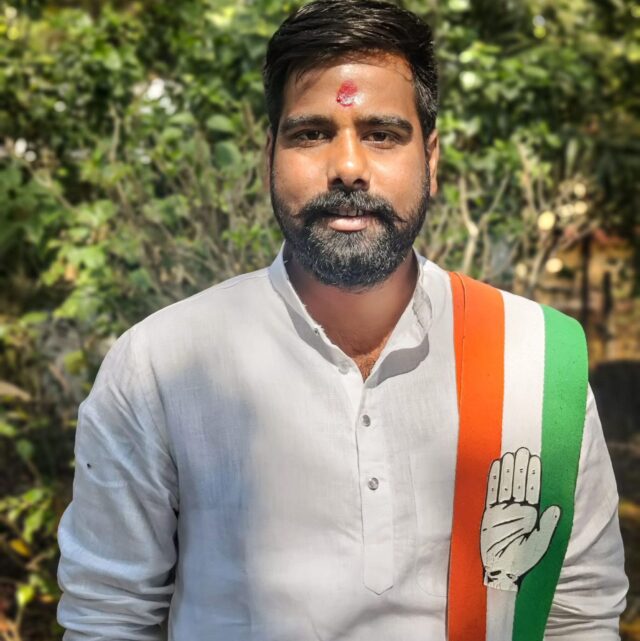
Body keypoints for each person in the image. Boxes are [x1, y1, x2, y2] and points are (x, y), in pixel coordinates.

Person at [56, 0, 628, 639]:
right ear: (269, 156)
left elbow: (580, 616)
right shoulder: (163, 364)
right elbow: (107, 617)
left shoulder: (535, 357)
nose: (349, 167)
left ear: (432, 158)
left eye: (382, 134)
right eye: (311, 134)